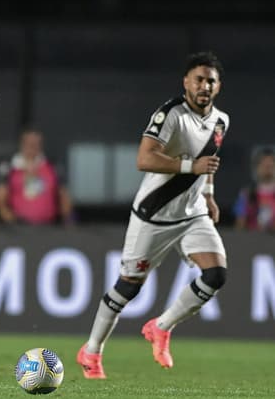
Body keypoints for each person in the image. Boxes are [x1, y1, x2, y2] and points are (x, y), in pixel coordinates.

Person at [77, 51, 229, 379]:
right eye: (199, 79)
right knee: (128, 287)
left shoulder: (221, 121)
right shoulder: (171, 114)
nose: (205, 85)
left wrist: (209, 195)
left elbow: (209, 160)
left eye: (211, 81)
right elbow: (144, 159)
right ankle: (91, 351)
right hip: (154, 215)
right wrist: (191, 167)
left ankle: (160, 327)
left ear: (218, 87)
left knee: (216, 274)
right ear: (186, 82)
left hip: (193, 215)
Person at [0, 127, 74, 225]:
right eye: (29, 143)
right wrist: (11, 221)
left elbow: (63, 195)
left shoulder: (52, 166)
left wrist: (66, 220)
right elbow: (0, 198)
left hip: (49, 226)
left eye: (36, 143)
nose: (32, 147)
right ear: (22, 144)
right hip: (19, 227)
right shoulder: (9, 167)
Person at [232, 147, 275, 231]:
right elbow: (240, 224)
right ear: (256, 168)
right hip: (253, 241)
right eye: (263, 165)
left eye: (271, 165)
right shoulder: (247, 194)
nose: (267, 168)